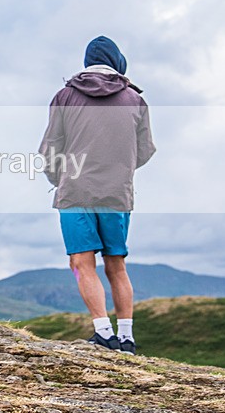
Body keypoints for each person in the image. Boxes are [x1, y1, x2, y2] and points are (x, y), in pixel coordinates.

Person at [39, 36, 156, 355]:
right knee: (116, 263)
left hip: (74, 190)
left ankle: (103, 332)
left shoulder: (65, 96)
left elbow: (50, 149)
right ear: (117, 62)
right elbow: (145, 151)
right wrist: (118, 169)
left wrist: (59, 178)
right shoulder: (135, 99)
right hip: (117, 195)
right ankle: (127, 338)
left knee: (81, 261)